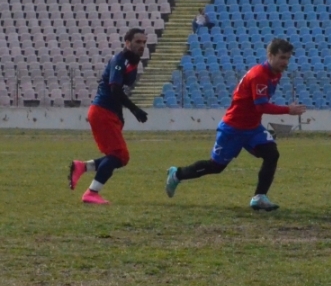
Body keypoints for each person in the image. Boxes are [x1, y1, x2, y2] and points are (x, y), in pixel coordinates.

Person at [164, 38, 307, 211]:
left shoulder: (275, 73)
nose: (285, 62)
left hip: (253, 128)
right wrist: (287, 110)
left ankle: (259, 197)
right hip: (233, 128)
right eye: (282, 57)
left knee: (271, 154)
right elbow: (260, 105)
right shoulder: (259, 75)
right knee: (216, 167)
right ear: (270, 55)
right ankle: (177, 174)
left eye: (288, 59)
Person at [69, 28, 149, 204]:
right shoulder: (119, 60)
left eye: (144, 42)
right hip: (102, 111)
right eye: (138, 42)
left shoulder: (132, 62)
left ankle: (82, 166)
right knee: (119, 155)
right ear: (127, 42)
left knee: (120, 156)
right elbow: (114, 89)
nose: (142, 45)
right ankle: (91, 193)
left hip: (108, 112)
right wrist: (134, 109)